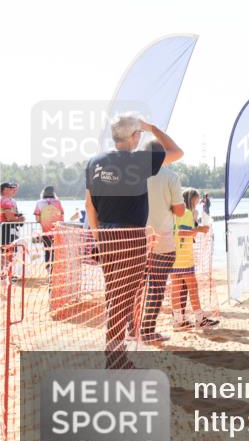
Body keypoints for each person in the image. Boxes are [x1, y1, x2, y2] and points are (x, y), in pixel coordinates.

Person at [85, 114, 183, 369]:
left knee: (114, 295)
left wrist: (98, 236)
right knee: (124, 299)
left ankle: (116, 355)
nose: (140, 138)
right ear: (134, 137)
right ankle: (114, 357)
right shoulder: (139, 161)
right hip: (130, 236)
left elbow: (89, 205)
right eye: (139, 134)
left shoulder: (94, 162)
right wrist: (152, 127)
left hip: (106, 234)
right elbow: (176, 151)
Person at [139, 141, 185, 344]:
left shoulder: (134, 175)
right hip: (163, 240)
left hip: (137, 240)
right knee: (156, 287)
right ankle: (147, 330)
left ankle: (132, 329)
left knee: (134, 288)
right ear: (163, 156)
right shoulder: (171, 176)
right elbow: (180, 210)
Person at [170, 188, 219, 330]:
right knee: (192, 288)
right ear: (191, 200)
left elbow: (178, 232)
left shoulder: (174, 213)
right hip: (184, 257)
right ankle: (200, 319)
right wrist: (198, 230)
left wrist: (197, 228)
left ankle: (178, 320)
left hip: (173, 255)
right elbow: (182, 233)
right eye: (196, 202)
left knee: (176, 288)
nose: (196, 205)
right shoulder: (186, 213)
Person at [33, 186, 64, 272]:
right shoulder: (58, 202)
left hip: (45, 232)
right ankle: (55, 271)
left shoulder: (39, 203)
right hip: (57, 231)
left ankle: (48, 270)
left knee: (47, 251)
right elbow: (62, 217)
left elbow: (37, 219)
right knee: (56, 251)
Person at [1, 182, 24, 270]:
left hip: (7, 228)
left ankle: (6, 273)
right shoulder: (5, 200)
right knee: (8, 251)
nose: (13, 190)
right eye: (11, 188)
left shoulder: (8, 200)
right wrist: (21, 219)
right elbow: (9, 217)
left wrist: (18, 218)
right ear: (5, 190)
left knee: (6, 251)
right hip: (6, 229)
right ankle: (7, 274)